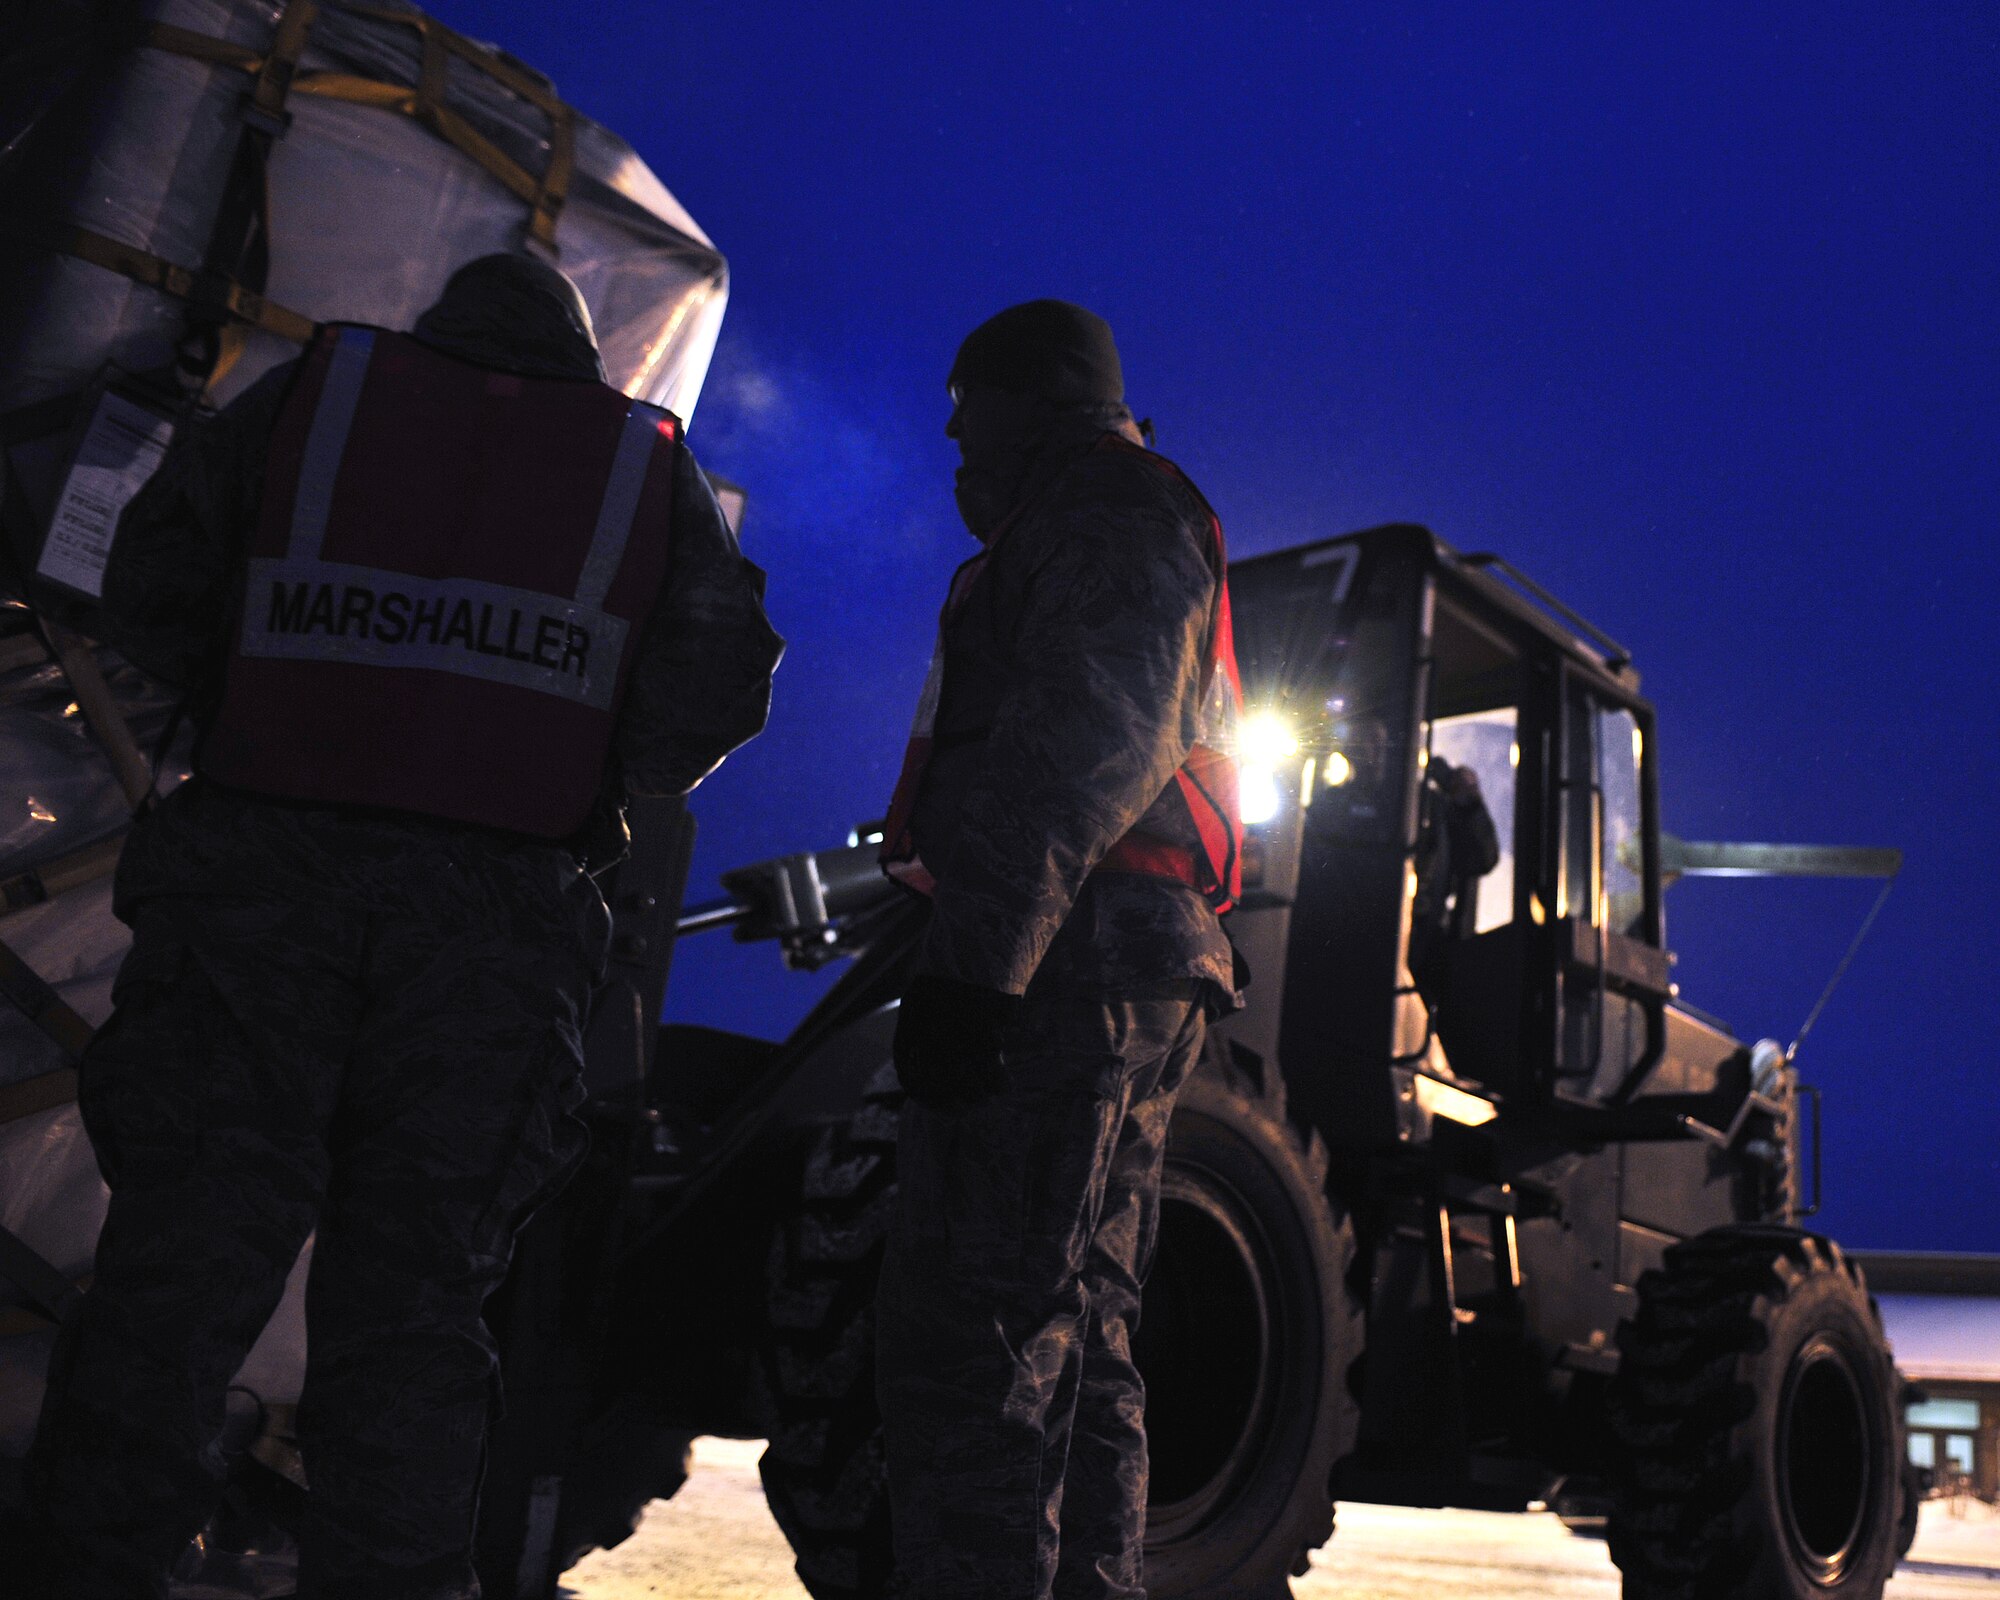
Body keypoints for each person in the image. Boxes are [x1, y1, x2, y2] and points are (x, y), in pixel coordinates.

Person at [26, 253, 782, 1600]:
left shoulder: (313, 396)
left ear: (439, 323)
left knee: (171, 1299)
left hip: (259, 902)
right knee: (415, 1330)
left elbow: (145, 586)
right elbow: (711, 695)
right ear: (580, 346)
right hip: (487, 946)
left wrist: (276, 701)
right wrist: (572, 763)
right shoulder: (637, 464)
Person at [876, 299, 1243, 1600]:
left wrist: (979, 968)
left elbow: (1074, 753)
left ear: (1033, 399)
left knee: (980, 1336)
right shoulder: (1091, 515)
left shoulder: (1109, 508)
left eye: (968, 410)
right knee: (1071, 1329)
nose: (952, 438)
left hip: (1070, 960)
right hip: (1095, 950)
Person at [1408, 752, 1501, 1004]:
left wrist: (1470, 804)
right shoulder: (1414, 801)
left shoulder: (1453, 817)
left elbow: (1485, 859)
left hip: (1433, 933)